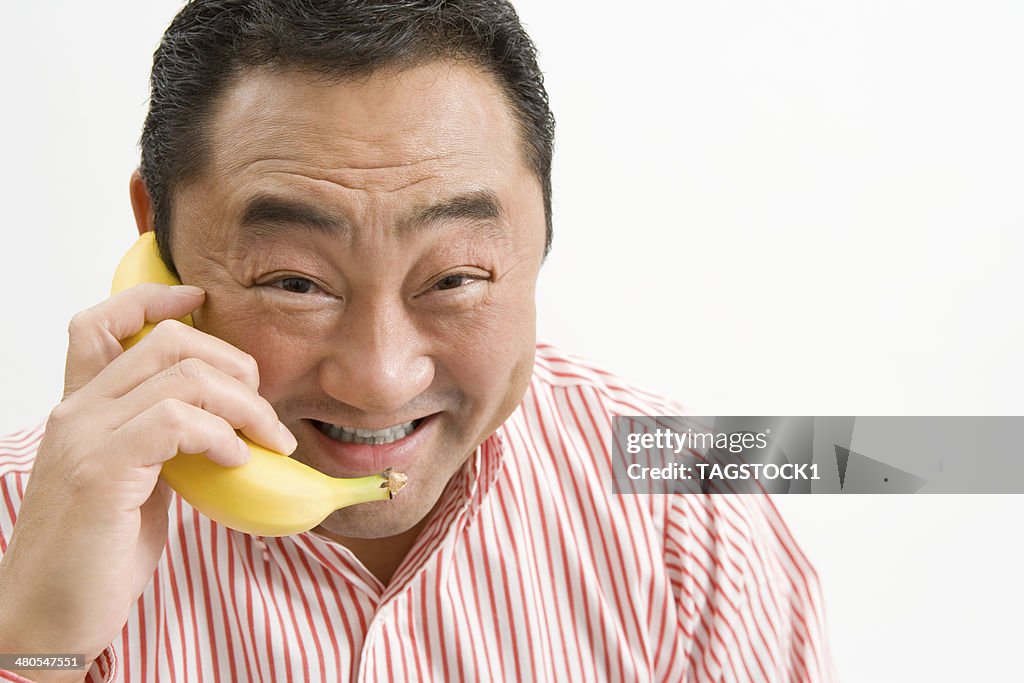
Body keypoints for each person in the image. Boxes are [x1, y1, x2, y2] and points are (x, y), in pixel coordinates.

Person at [0, 1, 836, 681]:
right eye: (295, 282)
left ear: (542, 227)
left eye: (453, 277)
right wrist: (36, 649)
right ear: (158, 234)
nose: (380, 378)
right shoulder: (19, 525)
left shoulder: (693, 514)